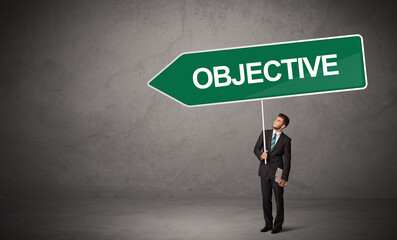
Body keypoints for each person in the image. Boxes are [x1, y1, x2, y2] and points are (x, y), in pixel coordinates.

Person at [253, 113, 291, 234]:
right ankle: (268, 224)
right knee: (266, 199)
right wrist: (261, 155)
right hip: (264, 171)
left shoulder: (286, 140)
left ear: (283, 125)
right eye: (275, 119)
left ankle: (278, 225)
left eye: (278, 120)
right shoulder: (265, 133)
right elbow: (256, 148)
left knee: (279, 200)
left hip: (278, 173)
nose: (275, 121)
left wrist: (284, 178)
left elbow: (287, 160)